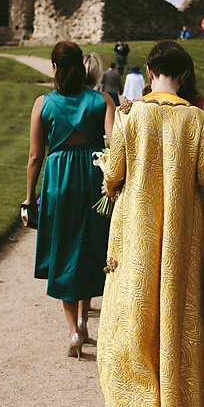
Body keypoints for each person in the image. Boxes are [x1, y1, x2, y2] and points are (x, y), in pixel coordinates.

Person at [98, 41, 204, 407]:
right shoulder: (196, 119)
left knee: (137, 315)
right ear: (183, 75)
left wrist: (108, 178)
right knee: (178, 315)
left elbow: (114, 172)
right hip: (183, 235)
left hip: (139, 230)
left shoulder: (130, 113)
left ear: (150, 72)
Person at [25, 41, 117, 360]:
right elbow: (115, 144)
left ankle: (73, 330)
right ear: (82, 67)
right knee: (89, 243)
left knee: (63, 247)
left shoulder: (43, 103)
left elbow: (36, 155)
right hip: (92, 177)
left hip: (59, 180)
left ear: (54, 68)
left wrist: (28, 198)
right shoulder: (101, 100)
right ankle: (83, 318)